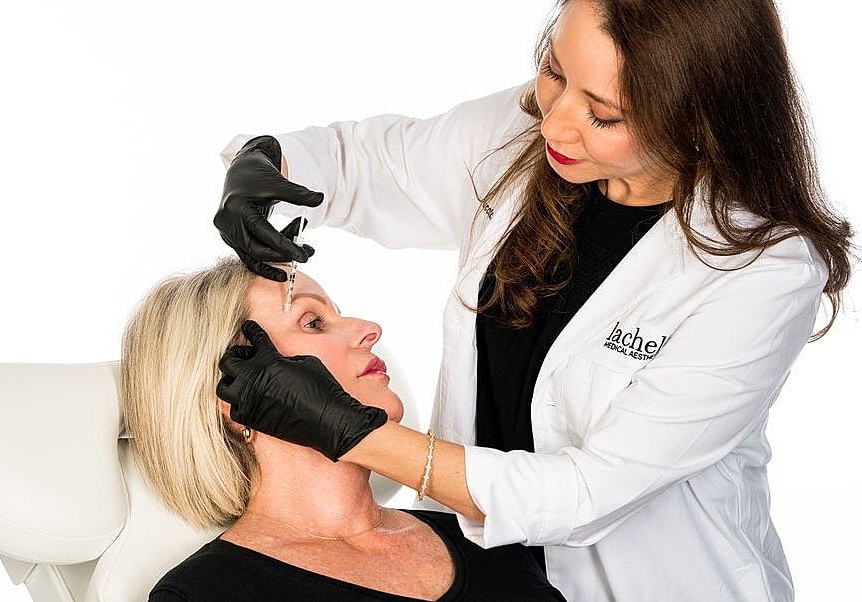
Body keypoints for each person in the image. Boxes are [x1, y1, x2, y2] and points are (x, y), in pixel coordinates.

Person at [210, 0, 856, 600]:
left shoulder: (760, 270)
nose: (555, 122)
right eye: (553, 70)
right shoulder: (525, 134)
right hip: (480, 576)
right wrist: (267, 166)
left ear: (698, 119)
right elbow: (365, 164)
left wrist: (348, 430)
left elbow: (586, 493)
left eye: (604, 114)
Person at [119, 256, 566, 601]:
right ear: (237, 393)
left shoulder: (484, 537)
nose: (370, 329)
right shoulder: (205, 593)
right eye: (313, 322)